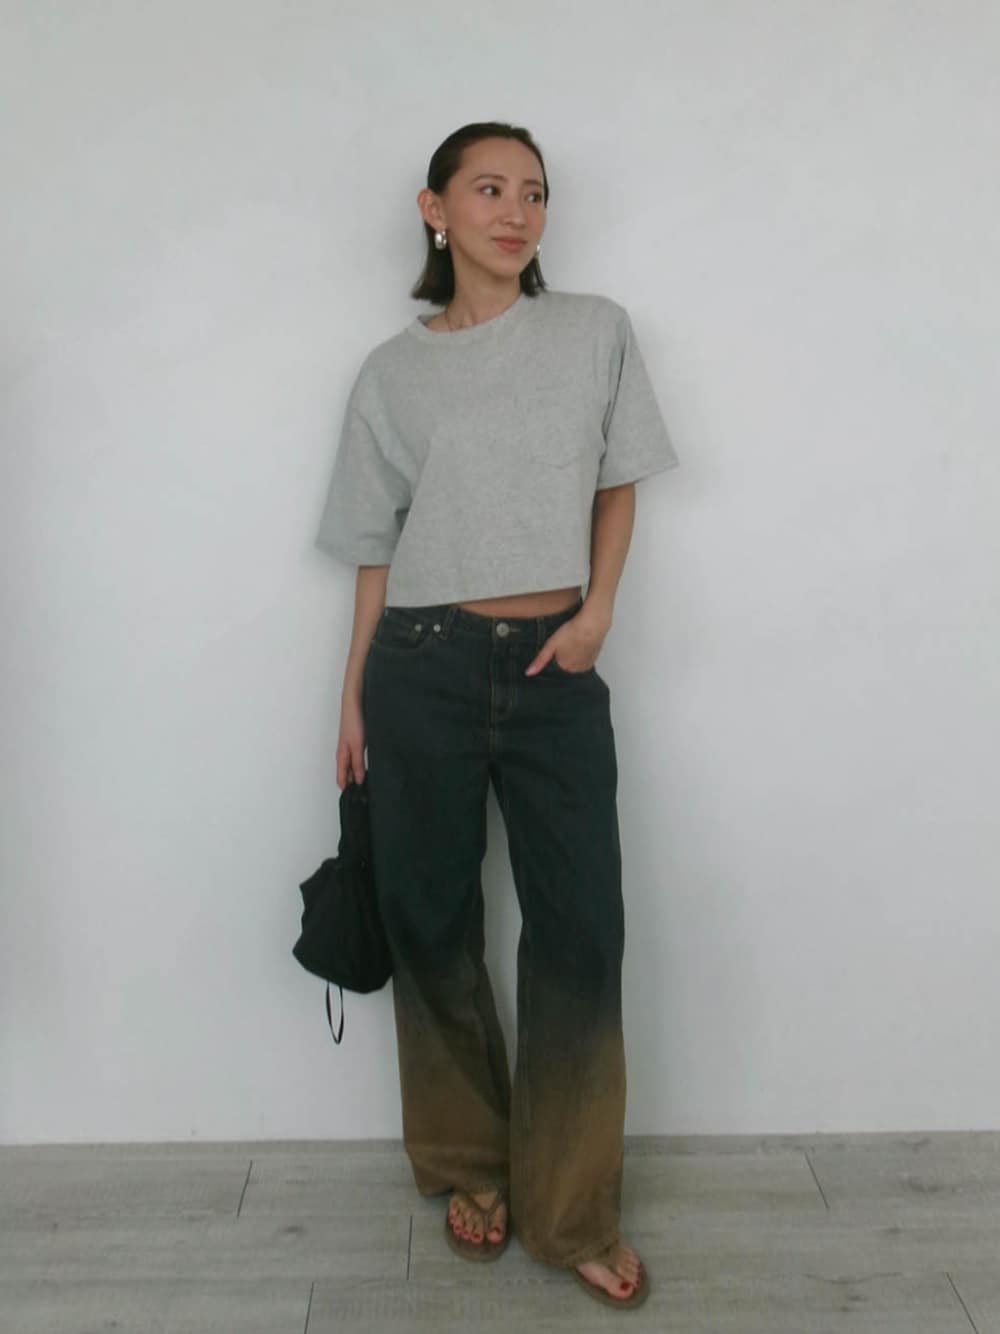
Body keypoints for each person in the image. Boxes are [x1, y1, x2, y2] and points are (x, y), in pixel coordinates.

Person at [314, 120, 679, 1311]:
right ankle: (469, 1159)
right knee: (429, 917)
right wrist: (352, 693)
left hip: (556, 663)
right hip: (418, 661)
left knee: (581, 932)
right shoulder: (392, 373)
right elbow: (375, 549)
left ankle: (570, 1206)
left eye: (533, 192)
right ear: (435, 209)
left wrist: (598, 610)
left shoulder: (592, 330)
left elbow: (617, 482)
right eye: (488, 189)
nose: (517, 212)